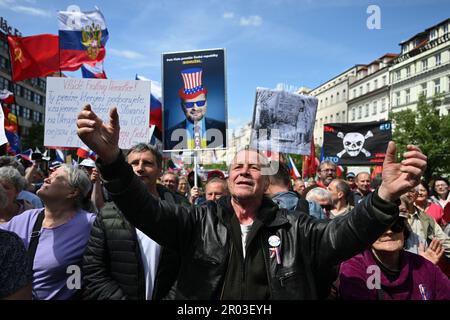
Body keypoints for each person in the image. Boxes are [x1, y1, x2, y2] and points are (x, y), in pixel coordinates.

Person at [77, 104, 427, 300]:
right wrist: (112, 161)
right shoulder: (196, 220)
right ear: (228, 177)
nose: (244, 171)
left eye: (253, 167)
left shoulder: (296, 227)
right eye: (237, 166)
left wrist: (383, 196)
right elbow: (144, 210)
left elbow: (344, 234)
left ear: (265, 180)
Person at [82, 143, 189, 300]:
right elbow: (93, 269)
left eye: (147, 163)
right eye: (134, 163)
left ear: (160, 170)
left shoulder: (181, 212)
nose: (140, 168)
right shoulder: (107, 214)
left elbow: (192, 267)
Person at [0, 165, 95, 299]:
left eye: (57, 177)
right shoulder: (25, 218)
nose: (47, 179)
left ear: (72, 192)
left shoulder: (89, 224)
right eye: (49, 175)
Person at [339, 216, 450, 300]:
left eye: (396, 225)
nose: (389, 231)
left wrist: (423, 270)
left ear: (404, 231)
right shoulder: (356, 266)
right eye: (379, 227)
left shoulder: (424, 265)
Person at [165, 68, 226, 150]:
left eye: (200, 103)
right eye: (189, 104)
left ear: (206, 103)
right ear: (182, 106)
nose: (195, 108)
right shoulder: (168, 135)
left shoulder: (222, 128)